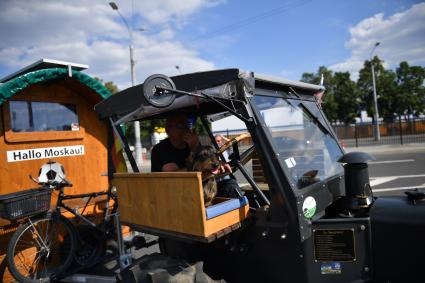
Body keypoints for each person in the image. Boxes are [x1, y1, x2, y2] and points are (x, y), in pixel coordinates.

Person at [151, 114, 242, 198]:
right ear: (168, 130)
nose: (186, 129)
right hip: (173, 194)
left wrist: (217, 164)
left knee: (229, 183)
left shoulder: (190, 144)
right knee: (227, 186)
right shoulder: (160, 150)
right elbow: (174, 176)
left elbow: (208, 161)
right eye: (180, 126)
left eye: (188, 125)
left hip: (196, 188)